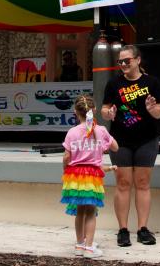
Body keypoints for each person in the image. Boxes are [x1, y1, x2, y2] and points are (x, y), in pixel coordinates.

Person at [101, 45, 160, 247]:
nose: (123, 65)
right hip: (120, 141)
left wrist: (152, 108)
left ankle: (143, 229)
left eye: (126, 61)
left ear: (137, 60)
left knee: (143, 183)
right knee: (123, 183)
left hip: (146, 140)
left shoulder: (151, 82)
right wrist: (108, 114)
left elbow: (159, 113)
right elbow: (104, 109)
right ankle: (123, 229)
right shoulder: (113, 84)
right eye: (120, 61)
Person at [62, 94, 118, 258]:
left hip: (75, 176)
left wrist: (65, 170)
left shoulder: (71, 132)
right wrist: (105, 138)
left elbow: (66, 157)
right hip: (92, 176)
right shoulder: (101, 131)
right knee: (91, 212)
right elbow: (115, 147)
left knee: (80, 211)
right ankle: (89, 248)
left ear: (75, 112)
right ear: (94, 110)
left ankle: (80, 245)